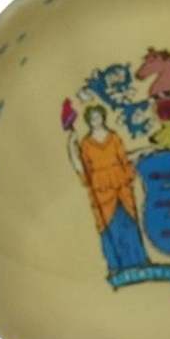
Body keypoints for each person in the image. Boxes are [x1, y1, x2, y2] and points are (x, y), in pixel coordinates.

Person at [68, 104, 148, 273]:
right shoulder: (86, 144)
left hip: (121, 186)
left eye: (97, 116)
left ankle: (139, 261)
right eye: (92, 118)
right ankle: (117, 266)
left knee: (128, 223)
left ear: (103, 117)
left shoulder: (114, 137)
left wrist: (135, 160)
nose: (95, 120)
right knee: (110, 227)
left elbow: (123, 159)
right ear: (88, 121)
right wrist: (71, 146)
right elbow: (84, 169)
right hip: (101, 191)